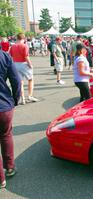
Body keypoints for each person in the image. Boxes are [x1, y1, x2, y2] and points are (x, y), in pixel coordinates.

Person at [0, 49, 21, 189]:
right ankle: (9, 167)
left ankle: (1, 180)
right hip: (4, 105)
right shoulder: (4, 56)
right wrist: (15, 99)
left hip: (5, 104)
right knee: (6, 135)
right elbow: (16, 80)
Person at [9, 33, 39, 105]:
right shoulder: (25, 46)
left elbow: (10, 56)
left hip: (15, 64)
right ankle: (30, 96)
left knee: (21, 82)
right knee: (30, 79)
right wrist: (30, 65)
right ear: (24, 38)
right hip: (24, 64)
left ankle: (23, 99)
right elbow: (26, 56)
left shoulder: (13, 46)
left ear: (17, 38)